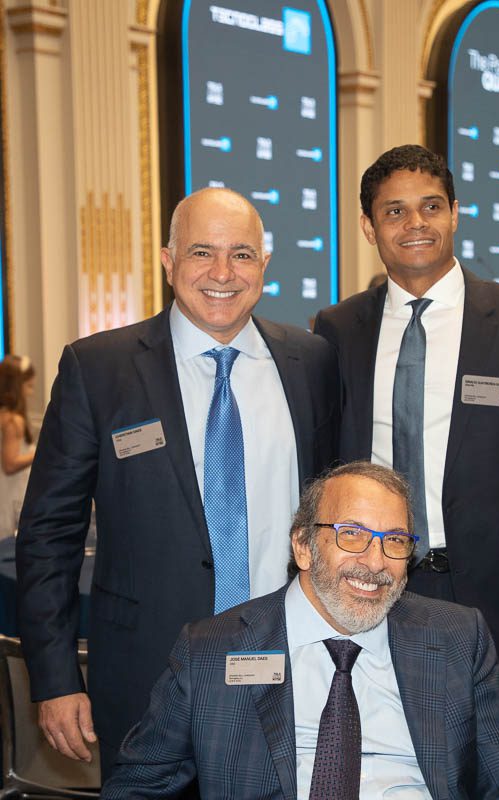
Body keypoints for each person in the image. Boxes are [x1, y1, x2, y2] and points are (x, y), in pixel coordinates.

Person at [16, 187, 340, 780]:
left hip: (293, 668)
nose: (222, 273)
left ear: (264, 265)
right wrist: (56, 678)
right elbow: (49, 535)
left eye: (242, 254)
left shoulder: (312, 362)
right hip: (147, 671)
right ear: (168, 261)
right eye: (201, 252)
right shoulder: (100, 369)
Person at [313, 144, 499, 778]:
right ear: (368, 226)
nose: (414, 223)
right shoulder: (339, 330)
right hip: (377, 601)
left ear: (455, 213)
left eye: (430, 207)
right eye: (394, 211)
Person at [100, 461, 499, 799]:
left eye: (395, 541)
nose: (375, 562)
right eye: (351, 534)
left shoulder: (456, 638)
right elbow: (136, 787)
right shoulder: (211, 651)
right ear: (303, 545)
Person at [0, 355, 36, 538]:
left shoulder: (4, 415)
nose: (31, 393)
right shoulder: (13, 421)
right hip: (11, 495)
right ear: (17, 386)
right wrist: (39, 453)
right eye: (29, 386)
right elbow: (10, 464)